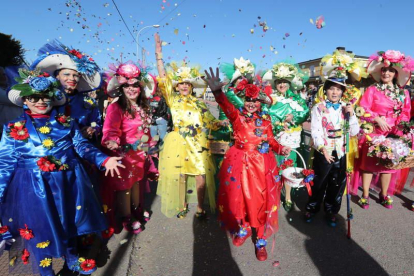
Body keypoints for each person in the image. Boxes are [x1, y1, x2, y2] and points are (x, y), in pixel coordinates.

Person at [0, 69, 124, 276]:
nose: (40, 102)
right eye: (34, 98)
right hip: (32, 189)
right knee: (38, 229)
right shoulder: (12, 128)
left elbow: (82, 147)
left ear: (53, 99)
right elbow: (4, 163)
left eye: (45, 98)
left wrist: (104, 159)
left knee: (68, 222)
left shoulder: (67, 123)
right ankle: (45, 270)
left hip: (68, 183)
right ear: (25, 100)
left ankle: (72, 258)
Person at [204, 67, 291, 261]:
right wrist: (218, 92)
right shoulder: (237, 116)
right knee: (238, 199)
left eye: (255, 100)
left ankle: (260, 238)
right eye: (248, 99)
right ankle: (242, 227)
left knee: (260, 201)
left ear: (261, 102)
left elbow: (272, 141)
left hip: (261, 166)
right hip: (239, 163)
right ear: (244, 100)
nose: (251, 103)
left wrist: (280, 149)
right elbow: (226, 106)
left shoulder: (266, 121)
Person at [154, 33, 222, 219]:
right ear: (176, 87)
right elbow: (163, 78)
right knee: (181, 174)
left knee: (200, 173)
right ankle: (182, 204)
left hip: (198, 143)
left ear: (192, 86)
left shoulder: (199, 103)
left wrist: (222, 123)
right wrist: (158, 55)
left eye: (187, 84)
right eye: (181, 83)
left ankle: (200, 207)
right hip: (178, 142)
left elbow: (209, 120)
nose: (184, 86)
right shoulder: (172, 100)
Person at [101, 61, 158, 233]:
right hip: (123, 155)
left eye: (135, 86)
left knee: (136, 183)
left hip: (140, 154)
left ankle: (137, 209)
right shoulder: (115, 107)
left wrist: (151, 146)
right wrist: (111, 140)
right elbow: (110, 129)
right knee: (124, 186)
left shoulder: (142, 106)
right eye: (127, 86)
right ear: (121, 88)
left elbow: (146, 130)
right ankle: (127, 216)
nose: (131, 89)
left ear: (140, 87)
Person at [351, 50, 413, 209]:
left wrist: (400, 125)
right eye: (384, 70)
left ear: (396, 73)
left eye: (391, 70)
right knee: (368, 165)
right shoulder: (372, 89)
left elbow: (406, 113)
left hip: (393, 134)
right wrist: (377, 119)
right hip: (374, 133)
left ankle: (384, 194)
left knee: (388, 167)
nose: (386, 73)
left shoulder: (403, 93)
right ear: (380, 71)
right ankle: (365, 195)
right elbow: (363, 108)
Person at [306, 71, 360, 226]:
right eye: (331, 88)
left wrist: (352, 115)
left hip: (341, 151)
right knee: (319, 182)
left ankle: (331, 210)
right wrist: (322, 149)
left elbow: (354, 132)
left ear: (342, 92)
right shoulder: (318, 107)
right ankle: (312, 207)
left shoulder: (347, 108)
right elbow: (315, 130)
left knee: (337, 184)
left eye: (338, 89)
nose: (335, 92)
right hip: (324, 151)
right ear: (326, 90)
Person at [31, 40, 102, 141]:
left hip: (84, 149)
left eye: (76, 75)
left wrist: (93, 128)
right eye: (66, 74)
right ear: (57, 76)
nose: (72, 79)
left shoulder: (89, 101)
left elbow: (96, 122)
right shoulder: (47, 98)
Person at [262, 62, 309, 212]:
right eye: (279, 82)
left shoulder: (297, 99)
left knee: (288, 167)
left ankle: (288, 196)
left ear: (289, 83)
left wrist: (293, 116)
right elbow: (264, 115)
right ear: (275, 83)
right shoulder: (270, 99)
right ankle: (273, 196)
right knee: (273, 168)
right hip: (274, 138)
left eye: (284, 82)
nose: (282, 85)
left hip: (291, 139)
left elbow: (304, 113)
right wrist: (277, 124)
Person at [0, 33, 25, 133]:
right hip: (7, 132)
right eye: (1, 74)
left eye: (4, 73)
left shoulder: (14, 71)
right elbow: (16, 99)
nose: (4, 75)